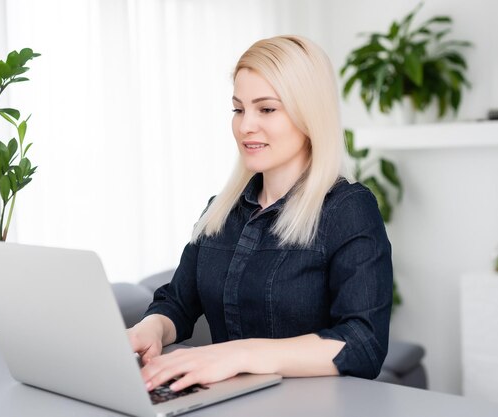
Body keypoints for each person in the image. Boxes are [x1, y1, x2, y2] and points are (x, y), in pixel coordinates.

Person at [127, 35, 393, 393]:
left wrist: (238, 355)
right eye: (238, 109)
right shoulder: (221, 211)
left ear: (308, 114)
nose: (245, 125)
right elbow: (177, 302)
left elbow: (362, 344)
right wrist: (150, 330)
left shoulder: (347, 209)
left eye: (266, 109)